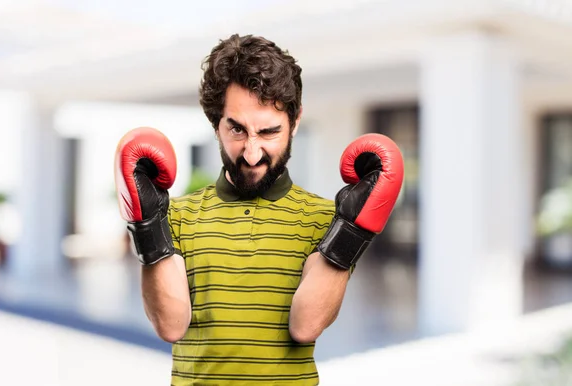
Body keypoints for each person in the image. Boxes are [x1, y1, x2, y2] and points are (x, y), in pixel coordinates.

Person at [114, 34, 404, 386]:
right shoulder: (177, 216)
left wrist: (351, 233)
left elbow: (306, 325)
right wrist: (147, 226)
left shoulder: (326, 219)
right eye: (236, 129)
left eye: (268, 132)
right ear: (215, 124)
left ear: (295, 122)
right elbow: (170, 325)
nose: (252, 154)